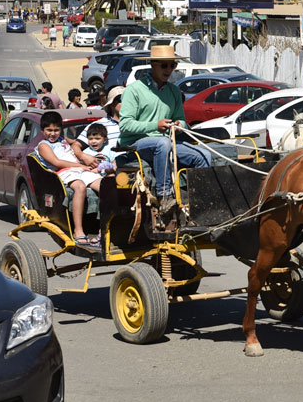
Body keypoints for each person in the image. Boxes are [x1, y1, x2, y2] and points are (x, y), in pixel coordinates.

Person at [119, 45, 208, 227]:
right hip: (136, 145)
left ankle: (200, 204)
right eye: (164, 66)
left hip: (167, 142)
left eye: (172, 66)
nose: (169, 70)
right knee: (162, 144)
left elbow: (181, 120)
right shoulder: (133, 90)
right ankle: (165, 196)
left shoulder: (174, 91)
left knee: (203, 155)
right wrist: (155, 125)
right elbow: (125, 125)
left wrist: (178, 125)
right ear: (153, 65)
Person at [34, 111, 103, 253]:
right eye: (49, 130)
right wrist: (82, 165)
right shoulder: (44, 145)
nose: (52, 134)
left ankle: (104, 230)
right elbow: (57, 162)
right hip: (63, 172)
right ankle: (78, 230)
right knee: (79, 187)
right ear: (42, 131)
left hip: (79, 170)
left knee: (105, 186)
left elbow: (77, 143)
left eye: (56, 130)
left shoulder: (62, 139)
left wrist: (84, 154)